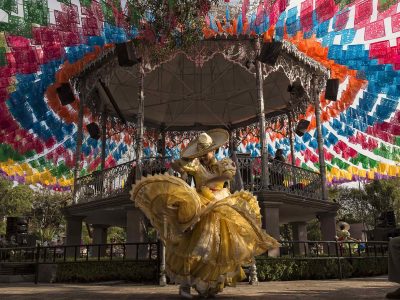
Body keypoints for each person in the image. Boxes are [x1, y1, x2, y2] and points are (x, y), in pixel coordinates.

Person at [131, 129, 279, 298]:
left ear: (213, 150)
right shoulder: (196, 165)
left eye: (205, 153)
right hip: (200, 205)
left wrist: (209, 181)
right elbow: (177, 165)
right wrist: (187, 157)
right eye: (200, 153)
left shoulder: (224, 163)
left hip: (221, 205)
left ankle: (208, 287)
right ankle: (185, 286)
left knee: (217, 251)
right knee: (192, 247)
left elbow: (226, 177)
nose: (202, 156)